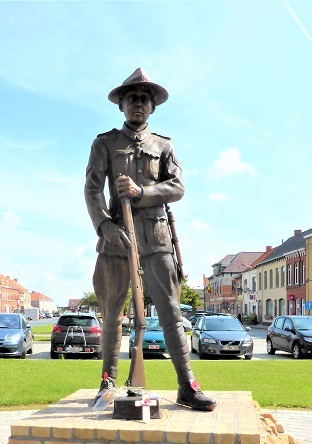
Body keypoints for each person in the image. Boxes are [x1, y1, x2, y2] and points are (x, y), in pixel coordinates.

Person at [84, 68, 216, 411]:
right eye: (131, 99)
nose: (138, 104)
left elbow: (177, 187)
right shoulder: (105, 143)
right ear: (122, 106)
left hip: (156, 240)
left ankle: (187, 384)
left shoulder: (164, 146)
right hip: (117, 240)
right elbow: (93, 189)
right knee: (112, 311)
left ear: (153, 106)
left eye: (144, 99)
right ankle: (107, 382)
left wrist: (142, 191)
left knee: (171, 312)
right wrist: (104, 227)